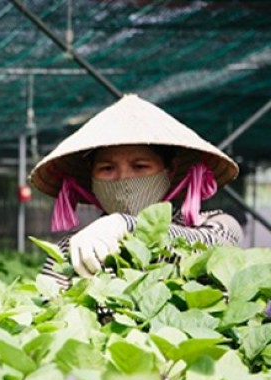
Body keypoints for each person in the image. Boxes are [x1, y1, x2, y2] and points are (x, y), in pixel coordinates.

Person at [30, 94, 243, 290]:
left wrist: (125, 224)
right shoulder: (73, 247)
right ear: (92, 177)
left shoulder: (213, 224)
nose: (123, 179)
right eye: (107, 169)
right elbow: (51, 307)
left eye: (140, 166)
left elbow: (221, 249)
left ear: (170, 171)